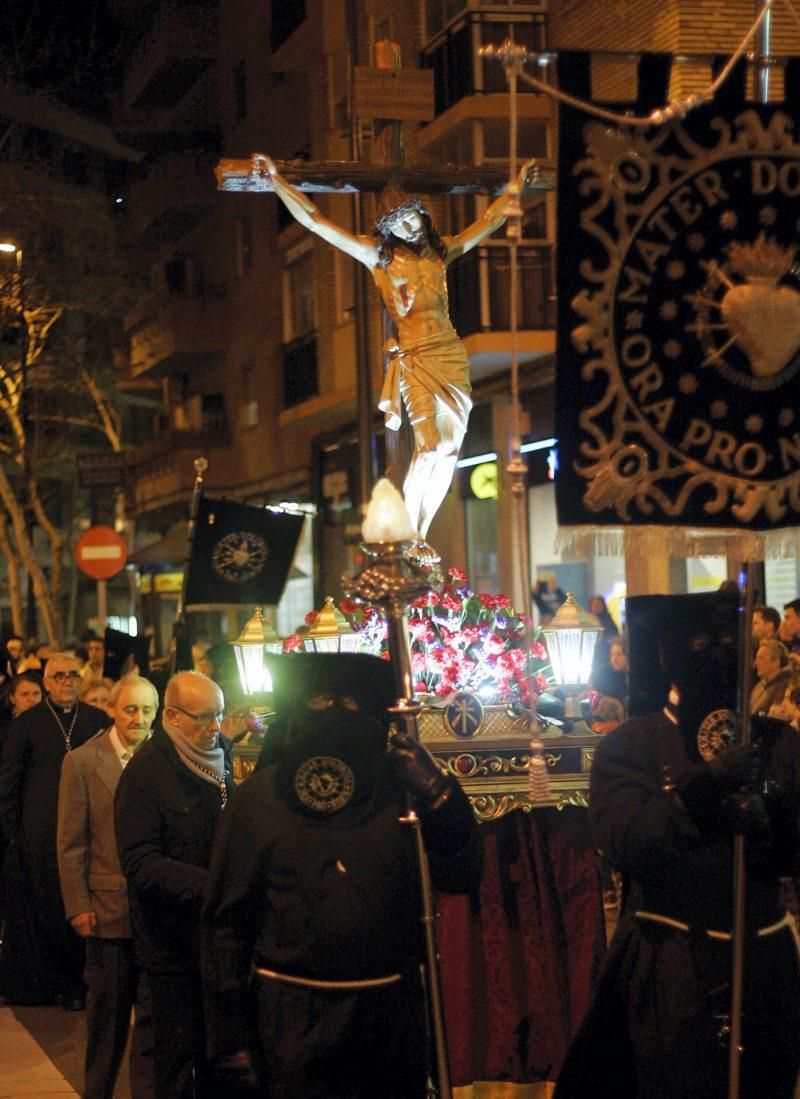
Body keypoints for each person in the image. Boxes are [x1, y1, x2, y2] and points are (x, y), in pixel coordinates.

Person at [201, 652, 482, 1098]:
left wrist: (442, 795)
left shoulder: (402, 795)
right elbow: (225, 926)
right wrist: (230, 1039)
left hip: (388, 1018)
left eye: (351, 704)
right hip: (291, 1023)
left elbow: (461, 873)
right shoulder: (259, 800)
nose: (336, 715)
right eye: (319, 701)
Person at [554, 591, 800, 1099]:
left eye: (729, 643)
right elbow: (626, 842)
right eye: (700, 643)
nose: (716, 654)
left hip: (767, 962)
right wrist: (700, 790)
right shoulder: (631, 745)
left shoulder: (781, 742)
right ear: (669, 656)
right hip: (674, 964)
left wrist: (771, 823)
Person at [262, 154, 534, 542]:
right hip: (416, 357)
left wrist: (517, 184)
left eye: (414, 218)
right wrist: (277, 181)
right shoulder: (379, 258)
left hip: (450, 355)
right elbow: (314, 220)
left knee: (449, 452)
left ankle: (423, 531)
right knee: (428, 447)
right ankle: (411, 530)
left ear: (423, 215)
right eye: (401, 224)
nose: (412, 227)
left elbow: (491, 220)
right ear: (390, 230)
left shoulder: (443, 252)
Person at [115, 670, 235, 1099]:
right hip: (172, 950)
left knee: (221, 1064)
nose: (215, 728)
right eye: (204, 717)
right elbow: (141, 862)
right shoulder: (146, 773)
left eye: (219, 715)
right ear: (172, 716)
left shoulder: (225, 759)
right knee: (173, 1069)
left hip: (220, 947)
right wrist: (215, 886)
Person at [57, 675, 158, 1099]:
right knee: (107, 1022)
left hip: (155, 912)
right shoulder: (82, 761)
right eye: (130, 709)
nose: (138, 718)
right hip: (106, 911)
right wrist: (78, 904)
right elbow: (71, 842)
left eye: (148, 710)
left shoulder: (162, 757)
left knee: (153, 1026)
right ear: (113, 709)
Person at [0, 652, 109, 1007]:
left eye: (73, 675)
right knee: (50, 910)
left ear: (82, 680)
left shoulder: (97, 720)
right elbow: (9, 783)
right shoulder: (27, 724)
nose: (66, 681)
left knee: (87, 908)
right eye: (59, 676)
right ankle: (61, 983)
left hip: (90, 832)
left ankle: (86, 983)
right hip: (41, 836)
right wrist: (14, 834)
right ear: (46, 683)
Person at [750, 639, 793, 716]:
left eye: (761, 658)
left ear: (776, 662)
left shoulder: (785, 687)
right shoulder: (759, 685)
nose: (756, 663)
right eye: (756, 658)